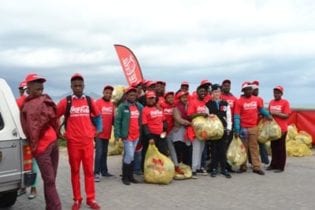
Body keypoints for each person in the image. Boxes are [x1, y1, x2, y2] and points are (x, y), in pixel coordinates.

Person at [57, 73, 101, 210]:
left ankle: (91, 199)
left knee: (89, 172)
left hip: (87, 143)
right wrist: (58, 132)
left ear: (83, 86)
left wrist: (98, 130)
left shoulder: (89, 100)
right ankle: (77, 199)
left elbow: (98, 115)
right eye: (75, 85)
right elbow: (54, 115)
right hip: (73, 144)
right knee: (75, 172)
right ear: (71, 86)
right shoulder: (66, 101)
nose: (77, 88)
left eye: (80, 85)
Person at [20, 73, 61, 210]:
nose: (40, 85)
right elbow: (30, 128)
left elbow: (33, 129)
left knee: (50, 181)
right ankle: (54, 207)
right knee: (50, 181)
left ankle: (52, 207)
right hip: (46, 146)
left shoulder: (40, 101)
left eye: (41, 83)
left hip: (49, 145)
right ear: (28, 87)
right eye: (36, 82)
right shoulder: (29, 104)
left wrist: (34, 147)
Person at [234, 82, 272, 175]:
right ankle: (243, 167)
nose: (249, 91)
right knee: (244, 149)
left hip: (253, 127)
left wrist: (267, 115)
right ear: (243, 91)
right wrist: (237, 129)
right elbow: (237, 116)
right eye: (247, 89)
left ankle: (256, 167)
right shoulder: (239, 101)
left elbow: (261, 109)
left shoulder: (256, 100)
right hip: (243, 128)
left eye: (250, 89)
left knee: (254, 148)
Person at [114, 86, 143, 185]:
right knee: (129, 155)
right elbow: (117, 121)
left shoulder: (139, 106)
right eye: (130, 95)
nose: (133, 97)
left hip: (136, 135)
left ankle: (130, 177)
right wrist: (117, 134)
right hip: (127, 136)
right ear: (126, 96)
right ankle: (125, 177)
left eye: (134, 95)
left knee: (132, 156)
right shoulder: (123, 107)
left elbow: (143, 116)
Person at [206, 84, 232, 178]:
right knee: (213, 150)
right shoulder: (208, 104)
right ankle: (214, 168)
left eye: (218, 91)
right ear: (211, 93)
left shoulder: (225, 103)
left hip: (224, 130)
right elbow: (206, 117)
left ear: (220, 92)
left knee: (223, 149)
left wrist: (229, 128)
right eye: (215, 92)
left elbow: (229, 117)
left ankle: (224, 169)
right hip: (214, 131)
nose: (217, 93)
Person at [187, 84, 209, 177]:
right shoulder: (193, 102)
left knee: (201, 149)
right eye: (201, 91)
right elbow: (189, 115)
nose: (203, 93)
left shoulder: (204, 103)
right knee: (196, 149)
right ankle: (193, 169)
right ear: (197, 92)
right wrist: (200, 114)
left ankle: (199, 167)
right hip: (195, 129)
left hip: (203, 130)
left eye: (204, 91)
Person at [94, 85, 115, 182]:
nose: (108, 94)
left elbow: (113, 119)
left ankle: (104, 171)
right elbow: (93, 117)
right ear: (103, 92)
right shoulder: (98, 103)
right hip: (99, 134)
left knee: (105, 153)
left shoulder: (112, 105)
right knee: (99, 153)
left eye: (110, 93)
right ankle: (96, 173)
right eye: (107, 92)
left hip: (107, 133)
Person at [268, 86, 291, 172]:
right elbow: (269, 113)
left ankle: (280, 167)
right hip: (273, 129)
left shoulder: (285, 102)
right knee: (273, 147)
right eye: (275, 92)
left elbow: (286, 115)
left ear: (281, 94)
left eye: (278, 93)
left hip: (282, 129)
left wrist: (275, 113)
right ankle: (273, 164)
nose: (276, 94)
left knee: (280, 148)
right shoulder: (271, 102)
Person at [161, 91, 184, 174]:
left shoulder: (175, 106)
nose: (171, 99)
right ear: (165, 98)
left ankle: (176, 166)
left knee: (172, 149)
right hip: (162, 131)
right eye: (168, 97)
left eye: (172, 97)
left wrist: (177, 125)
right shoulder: (162, 105)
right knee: (163, 149)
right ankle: (165, 166)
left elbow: (178, 117)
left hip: (171, 131)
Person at [142, 91, 168, 157]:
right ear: (146, 99)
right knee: (151, 155)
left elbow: (164, 121)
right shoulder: (144, 110)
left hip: (161, 135)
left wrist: (164, 131)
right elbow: (144, 125)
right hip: (151, 136)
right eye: (149, 98)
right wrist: (150, 137)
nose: (151, 100)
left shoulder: (159, 108)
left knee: (163, 153)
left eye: (153, 98)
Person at [220, 79, 238, 172]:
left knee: (228, 146)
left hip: (230, 126)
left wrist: (235, 127)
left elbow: (236, 113)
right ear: (222, 86)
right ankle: (219, 164)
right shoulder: (219, 96)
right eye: (225, 85)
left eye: (228, 85)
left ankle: (227, 165)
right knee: (220, 146)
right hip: (219, 126)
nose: (227, 87)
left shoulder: (234, 98)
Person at [251, 80, 269, 165]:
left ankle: (264, 160)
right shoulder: (250, 99)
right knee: (253, 145)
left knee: (261, 142)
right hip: (252, 124)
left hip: (260, 124)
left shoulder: (260, 99)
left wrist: (265, 116)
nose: (257, 92)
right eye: (255, 90)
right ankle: (253, 161)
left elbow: (261, 110)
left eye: (258, 90)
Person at [172, 91, 191, 166]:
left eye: (186, 97)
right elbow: (178, 119)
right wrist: (190, 123)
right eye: (183, 97)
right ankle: (178, 166)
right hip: (179, 131)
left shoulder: (189, 105)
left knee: (187, 149)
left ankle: (186, 166)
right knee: (178, 149)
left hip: (187, 130)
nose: (185, 99)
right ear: (179, 98)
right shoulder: (176, 107)